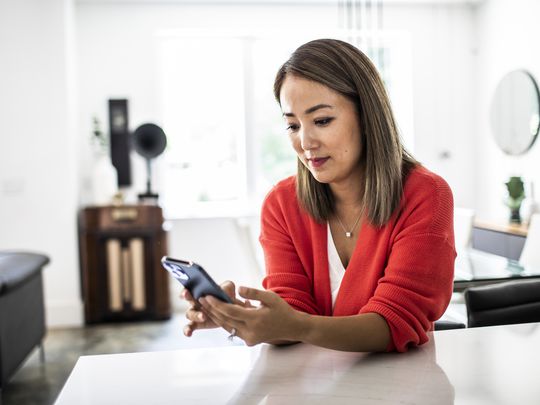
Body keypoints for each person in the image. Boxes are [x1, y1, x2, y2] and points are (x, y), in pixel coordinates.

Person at [181, 38, 456, 353]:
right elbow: (292, 309)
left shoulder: (425, 194)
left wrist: (296, 325)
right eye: (293, 126)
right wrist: (239, 315)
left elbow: (397, 322)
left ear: (367, 117)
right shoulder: (281, 204)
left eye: (322, 121)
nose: (305, 142)